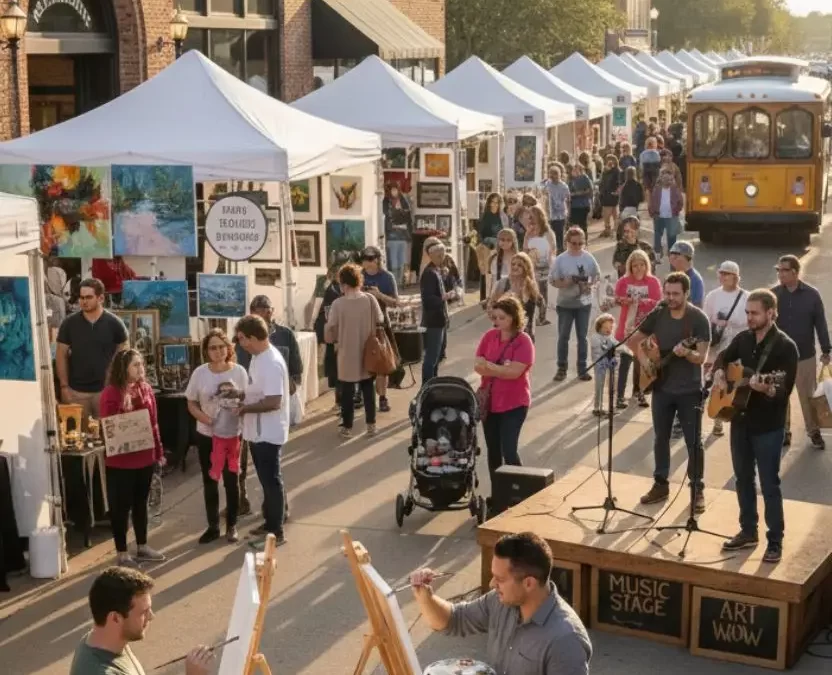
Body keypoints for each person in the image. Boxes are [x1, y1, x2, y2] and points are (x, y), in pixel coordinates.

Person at [409, 532, 592, 674]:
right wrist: (425, 596)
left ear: (529, 583)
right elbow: (454, 620)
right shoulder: (499, 601)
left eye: (500, 579)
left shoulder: (566, 641)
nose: (491, 584)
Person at [713, 290, 798, 564]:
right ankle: (748, 530)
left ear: (771, 313)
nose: (749, 317)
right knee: (742, 479)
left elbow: (783, 390)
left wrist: (767, 389)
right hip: (740, 420)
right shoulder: (744, 339)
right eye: (747, 313)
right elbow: (723, 358)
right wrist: (718, 372)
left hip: (768, 426)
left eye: (754, 313)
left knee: (769, 484)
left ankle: (775, 540)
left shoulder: (786, 347)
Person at [628, 272, 711, 512]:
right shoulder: (659, 313)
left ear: (687, 294)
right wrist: (644, 362)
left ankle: (697, 490)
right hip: (662, 387)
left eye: (676, 294)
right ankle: (660, 483)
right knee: (660, 437)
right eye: (667, 293)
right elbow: (634, 340)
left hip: (689, 390)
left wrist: (688, 354)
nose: (670, 298)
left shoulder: (698, 319)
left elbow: (702, 357)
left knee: (693, 441)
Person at [70, 567, 213, 675]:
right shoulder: (99, 671)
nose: (151, 616)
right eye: (144, 612)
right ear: (115, 618)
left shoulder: (104, 640)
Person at [99, 349, 166, 566]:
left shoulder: (146, 389)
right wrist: (124, 410)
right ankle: (121, 551)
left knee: (141, 503)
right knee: (121, 506)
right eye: (135, 365)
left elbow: (154, 423)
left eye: (141, 364)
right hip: (120, 460)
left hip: (144, 457)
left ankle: (142, 545)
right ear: (123, 368)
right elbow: (107, 425)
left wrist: (159, 452)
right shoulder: (110, 392)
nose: (140, 368)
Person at [185, 329, 248, 544]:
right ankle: (213, 526)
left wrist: (240, 408)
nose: (218, 351)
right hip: (207, 435)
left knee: (232, 480)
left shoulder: (239, 371)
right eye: (213, 347)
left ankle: (232, 525)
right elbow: (191, 402)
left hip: (232, 435)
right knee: (210, 480)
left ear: (228, 348)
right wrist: (204, 418)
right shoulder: (200, 373)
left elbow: (248, 398)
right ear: (206, 351)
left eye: (221, 346)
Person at [235, 314, 291, 546]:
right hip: (258, 432)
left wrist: (244, 409)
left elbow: (273, 401)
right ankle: (270, 522)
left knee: (271, 481)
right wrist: (239, 395)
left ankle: (276, 531)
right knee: (266, 480)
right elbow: (256, 391)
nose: (240, 344)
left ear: (253, 337)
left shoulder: (271, 362)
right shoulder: (258, 357)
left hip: (268, 432)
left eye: (242, 339)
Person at [475, 296, 536, 487]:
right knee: (493, 452)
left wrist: (491, 367)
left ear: (514, 318)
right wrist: (499, 368)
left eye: (502, 318)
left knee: (508, 451)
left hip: (514, 403)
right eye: (495, 317)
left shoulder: (523, 341)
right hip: (491, 403)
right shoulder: (489, 336)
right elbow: (478, 365)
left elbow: (515, 373)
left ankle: (520, 489)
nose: (497, 322)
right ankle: (499, 494)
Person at [772, 254, 831, 449]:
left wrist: (826, 349)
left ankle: (813, 432)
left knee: (807, 396)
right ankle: (783, 432)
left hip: (805, 355)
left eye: (784, 270)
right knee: (780, 396)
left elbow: (820, 323)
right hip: (779, 356)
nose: (780, 274)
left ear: (795, 272)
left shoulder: (811, 295)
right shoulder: (773, 295)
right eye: (778, 270)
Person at [324, 262, 385, 437]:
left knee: (347, 392)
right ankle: (371, 425)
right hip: (368, 351)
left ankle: (347, 427)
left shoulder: (337, 304)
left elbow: (330, 329)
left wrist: (331, 336)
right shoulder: (369, 299)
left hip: (346, 353)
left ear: (343, 284)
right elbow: (380, 319)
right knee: (368, 388)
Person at [56, 278, 129, 419]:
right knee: (78, 437)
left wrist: (119, 387)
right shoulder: (69, 324)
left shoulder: (115, 324)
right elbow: (61, 355)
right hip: (76, 392)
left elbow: (124, 356)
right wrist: (64, 387)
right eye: (81, 297)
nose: (84, 301)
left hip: (105, 391)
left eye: (88, 297)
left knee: (106, 435)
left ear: (100, 298)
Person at [703, 261, 748, 437]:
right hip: (719, 346)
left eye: (727, 274)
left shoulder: (745, 297)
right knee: (718, 381)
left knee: (736, 382)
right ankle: (718, 420)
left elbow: (749, 323)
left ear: (735, 276)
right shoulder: (713, 296)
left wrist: (731, 323)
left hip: (739, 347)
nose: (722, 277)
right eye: (721, 273)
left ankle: (738, 416)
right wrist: (716, 324)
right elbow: (705, 320)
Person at [550, 227, 600, 382]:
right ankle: (562, 368)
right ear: (567, 243)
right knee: (563, 336)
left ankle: (582, 368)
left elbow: (596, 275)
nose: (577, 246)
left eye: (580, 243)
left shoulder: (588, 258)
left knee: (582, 337)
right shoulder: (561, 259)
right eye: (574, 243)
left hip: (584, 303)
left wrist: (590, 285)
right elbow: (553, 280)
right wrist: (566, 282)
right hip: (565, 303)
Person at [615, 250, 661, 409]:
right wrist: (625, 300)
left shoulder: (653, 281)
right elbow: (617, 299)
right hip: (626, 327)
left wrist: (641, 302)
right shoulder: (623, 281)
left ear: (646, 265)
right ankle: (620, 396)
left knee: (640, 361)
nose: (639, 268)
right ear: (630, 267)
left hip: (645, 328)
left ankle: (639, 391)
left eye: (642, 265)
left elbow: (657, 303)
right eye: (635, 266)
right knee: (625, 360)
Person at [235, 295, 302, 393]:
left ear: (272, 311)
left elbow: (296, 369)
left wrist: (291, 386)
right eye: (259, 312)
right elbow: (242, 369)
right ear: (251, 314)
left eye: (267, 312)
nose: (264, 316)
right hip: (254, 393)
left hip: (284, 391)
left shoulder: (286, 334)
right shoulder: (243, 338)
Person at [361, 246, 399, 414]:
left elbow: (395, 302)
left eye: (369, 259)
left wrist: (379, 295)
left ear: (377, 260)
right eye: (364, 259)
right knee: (364, 363)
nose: (366, 262)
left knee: (382, 363)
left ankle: (383, 398)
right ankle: (365, 397)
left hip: (381, 325)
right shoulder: (358, 276)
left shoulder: (387, 277)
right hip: (361, 325)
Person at [420, 241, 452, 384]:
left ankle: (433, 383)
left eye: (442, 254)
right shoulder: (429, 273)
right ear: (431, 255)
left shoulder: (436, 270)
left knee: (437, 356)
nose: (441, 257)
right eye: (438, 255)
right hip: (433, 321)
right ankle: (427, 385)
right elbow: (428, 299)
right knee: (432, 357)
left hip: (439, 319)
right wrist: (444, 297)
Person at [489, 252, 540, 339]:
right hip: (505, 334)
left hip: (526, 335)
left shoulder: (531, 286)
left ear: (526, 268)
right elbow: (491, 306)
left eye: (519, 265)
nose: (515, 267)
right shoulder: (503, 283)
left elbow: (534, 312)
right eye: (513, 264)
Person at [521, 206, 556, 326]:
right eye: (529, 217)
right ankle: (529, 317)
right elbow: (525, 249)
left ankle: (542, 317)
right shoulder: (529, 233)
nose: (530, 220)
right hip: (531, 266)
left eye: (532, 217)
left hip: (544, 266)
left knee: (542, 290)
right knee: (531, 291)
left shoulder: (547, 232)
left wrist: (549, 261)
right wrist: (527, 236)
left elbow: (553, 248)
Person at [477, 193, 510, 301]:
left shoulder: (503, 216)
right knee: (485, 272)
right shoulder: (485, 216)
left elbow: (506, 232)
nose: (494, 205)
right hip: (486, 247)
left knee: (498, 272)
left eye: (497, 202)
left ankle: (497, 295)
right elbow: (480, 234)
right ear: (489, 203)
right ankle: (484, 297)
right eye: (493, 202)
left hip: (500, 247)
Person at [648, 170, 684, 261]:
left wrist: (676, 211)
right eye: (666, 179)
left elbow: (680, 202)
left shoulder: (675, 189)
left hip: (671, 217)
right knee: (657, 236)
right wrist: (652, 212)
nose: (668, 181)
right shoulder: (657, 189)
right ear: (661, 179)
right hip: (658, 216)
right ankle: (657, 255)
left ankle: (672, 256)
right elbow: (651, 202)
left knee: (672, 237)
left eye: (670, 179)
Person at [382, 182, 413, 285]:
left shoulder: (403, 200)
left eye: (396, 189)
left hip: (403, 235)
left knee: (403, 259)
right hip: (392, 236)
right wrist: (399, 214)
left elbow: (408, 215)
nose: (394, 192)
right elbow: (387, 215)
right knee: (393, 259)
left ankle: (401, 281)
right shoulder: (386, 201)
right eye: (392, 189)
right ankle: (395, 281)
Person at [591, 314, 618, 416]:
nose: (608, 330)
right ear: (599, 327)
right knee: (599, 385)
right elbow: (600, 349)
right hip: (599, 365)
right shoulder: (595, 337)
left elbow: (618, 345)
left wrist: (629, 351)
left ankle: (612, 407)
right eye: (605, 328)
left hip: (610, 364)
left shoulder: (611, 337)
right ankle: (597, 407)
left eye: (610, 327)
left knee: (612, 385)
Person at [543, 165, 570, 253]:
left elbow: (567, 199)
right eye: (551, 174)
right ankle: (551, 251)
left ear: (559, 175)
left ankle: (561, 251)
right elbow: (542, 193)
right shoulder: (547, 184)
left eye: (555, 174)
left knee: (559, 234)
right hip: (548, 214)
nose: (553, 176)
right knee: (550, 234)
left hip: (560, 215)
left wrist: (568, 212)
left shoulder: (564, 186)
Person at [668, 241, 704, 308]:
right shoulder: (672, 276)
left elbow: (697, 306)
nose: (672, 257)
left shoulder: (695, 280)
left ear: (688, 258)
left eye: (676, 254)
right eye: (671, 254)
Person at [488, 228, 519, 295]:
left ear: (513, 241)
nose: (505, 243)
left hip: (515, 292)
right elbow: (493, 279)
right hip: (499, 292)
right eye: (502, 240)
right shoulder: (495, 258)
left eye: (508, 240)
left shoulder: (518, 257)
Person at [598, 154, 622, 238]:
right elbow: (602, 182)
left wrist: (617, 191)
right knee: (608, 214)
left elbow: (619, 183)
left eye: (611, 161)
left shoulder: (617, 171)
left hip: (612, 196)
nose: (609, 163)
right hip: (606, 196)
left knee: (612, 213)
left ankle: (613, 230)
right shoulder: (605, 171)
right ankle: (609, 230)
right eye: (608, 161)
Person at [567, 164, 594, 235]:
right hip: (574, 206)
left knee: (583, 225)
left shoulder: (585, 178)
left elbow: (590, 190)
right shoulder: (571, 180)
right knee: (574, 225)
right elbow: (568, 192)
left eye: (576, 170)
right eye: (573, 170)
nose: (574, 171)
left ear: (580, 171)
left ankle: (584, 241)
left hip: (583, 205)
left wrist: (577, 193)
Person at [639, 136, 662, 203]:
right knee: (654, 186)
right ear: (655, 144)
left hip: (645, 171)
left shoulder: (642, 154)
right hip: (655, 171)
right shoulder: (657, 153)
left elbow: (641, 165)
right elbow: (659, 163)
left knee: (647, 188)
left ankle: (649, 203)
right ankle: (655, 202)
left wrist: (641, 173)